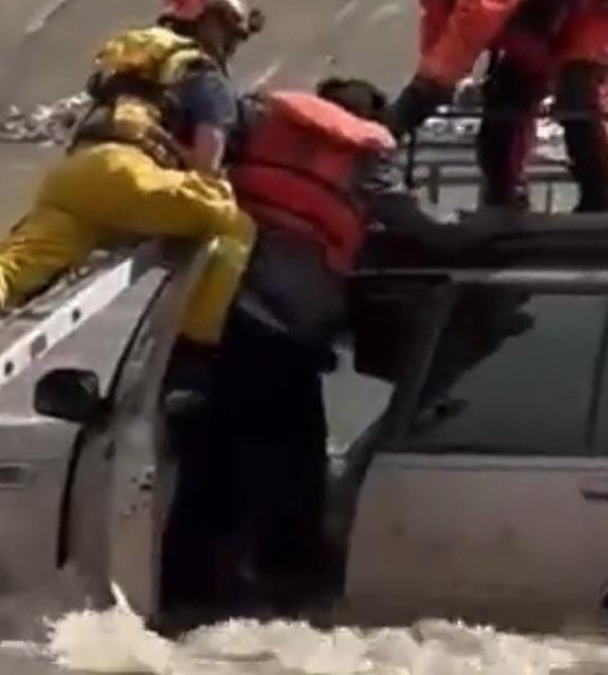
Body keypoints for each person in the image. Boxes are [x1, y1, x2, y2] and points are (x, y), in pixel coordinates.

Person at [158, 77, 479, 621]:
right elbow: (413, 223)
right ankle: (278, 585)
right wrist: (479, 234)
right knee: (283, 460)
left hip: (225, 321)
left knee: (218, 459)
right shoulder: (364, 160)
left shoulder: (264, 131)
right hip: (283, 336)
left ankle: (202, 589)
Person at [0, 0, 263, 401]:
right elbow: (209, 155)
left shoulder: (133, 66)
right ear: (214, 24)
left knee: (12, 265)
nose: (231, 46)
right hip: (131, 175)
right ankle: (193, 358)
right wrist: (205, 185)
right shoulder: (202, 72)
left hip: (74, 176)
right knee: (233, 224)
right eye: (231, 34)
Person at [384, 0, 608, 214]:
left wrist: (421, 94)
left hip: (597, 14)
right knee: (504, 108)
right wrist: (429, 85)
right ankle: (503, 199)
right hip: (534, 26)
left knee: (577, 100)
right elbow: (439, 34)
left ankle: (603, 200)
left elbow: (480, 17)